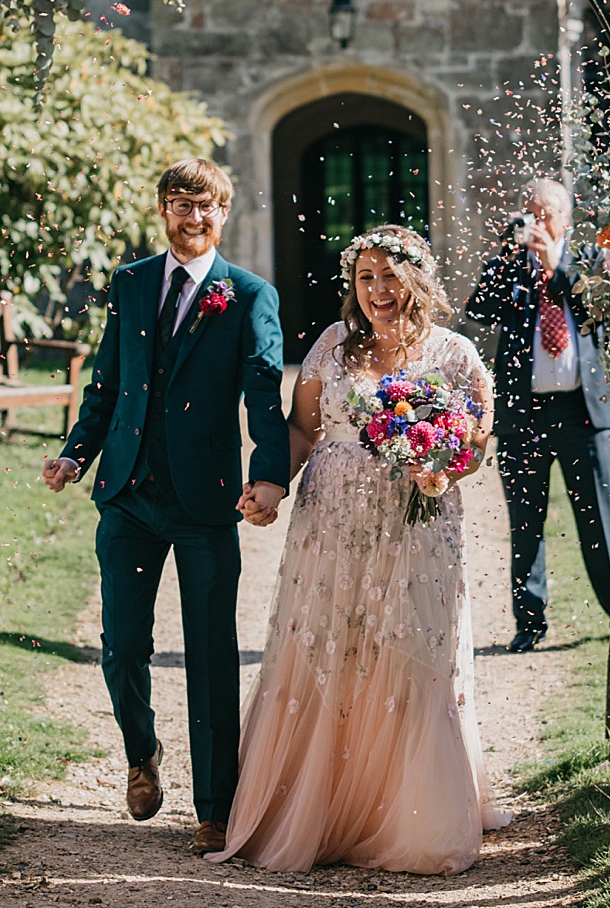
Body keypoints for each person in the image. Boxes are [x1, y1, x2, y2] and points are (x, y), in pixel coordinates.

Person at [210, 225, 510, 875]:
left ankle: (405, 813)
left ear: (418, 280)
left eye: (389, 276)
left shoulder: (454, 354)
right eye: (366, 276)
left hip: (417, 528)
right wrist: (270, 486)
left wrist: (445, 470)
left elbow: (478, 440)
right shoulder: (332, 346)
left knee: (408, 646)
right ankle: (320, 810)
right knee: (333, 648)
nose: (377, 289)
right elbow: (300, 429)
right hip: (332, 535)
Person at [41, 158, 289, 856]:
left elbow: (265, 394)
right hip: (127, 492)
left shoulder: (248, 295)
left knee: (211, 654)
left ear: (224, 213)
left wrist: (269, 475)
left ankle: (215, 807)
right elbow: (106, 383)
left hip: (207, 497)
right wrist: (75, 452)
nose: (193, 215)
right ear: (162, 210)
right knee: (122, 645)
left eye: (205, 205)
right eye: (181, 202)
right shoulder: (130, 283)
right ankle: (141, 751)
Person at [464, 178, 610, 647]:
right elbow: (478, 309)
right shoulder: (511, 266)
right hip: (524, 415)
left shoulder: (589, 263)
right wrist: (511, 255)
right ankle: (529, 625)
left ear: (566, 219)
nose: (538, 222)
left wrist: (559, 267)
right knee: (525, 523)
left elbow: (604, 309)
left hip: (583, 413)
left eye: (546, 213)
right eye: (530, 213)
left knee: (600, 521)